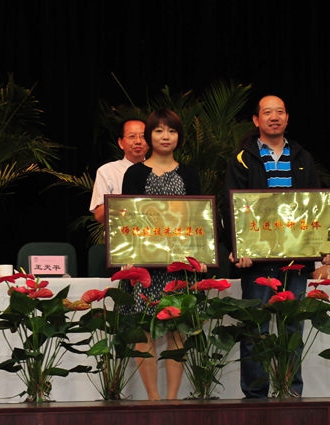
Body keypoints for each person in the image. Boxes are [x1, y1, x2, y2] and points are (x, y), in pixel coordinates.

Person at [224, 95, 320, 398]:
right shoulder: (243, 158)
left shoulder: (303, 157)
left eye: (280, 112)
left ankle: (290, 391)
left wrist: (322, 245)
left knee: (293, 329)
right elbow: (232, 207)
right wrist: (240, 247)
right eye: (267, 112)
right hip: (258, 260)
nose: (274, 117)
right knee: (256, 329)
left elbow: (315, 206)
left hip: (296, 257)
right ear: (257, 120)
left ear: (287, 118)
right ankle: (256, 396)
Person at [122, 109, 203, 400]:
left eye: (171, 130)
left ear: (179, 136)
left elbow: (198, 220)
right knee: (144, 332)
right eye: (158, 130)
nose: (165, 136)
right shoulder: (134, 173)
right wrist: (127, 256)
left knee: (176, 331)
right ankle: (153, 400)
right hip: (143, 267)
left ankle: (172, 400)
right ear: (149, 136)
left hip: (178, 267)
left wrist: (200, 255)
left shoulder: (189, 174)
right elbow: (127, 218)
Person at [90, 119, 149, 223]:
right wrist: (124, 197)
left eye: (143, 137)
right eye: (132, 136)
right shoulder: (107, 171)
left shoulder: (160, 171)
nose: (138, 141)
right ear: (121, 143)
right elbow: (99, 215)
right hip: (121, 231)